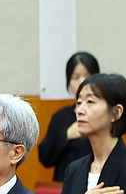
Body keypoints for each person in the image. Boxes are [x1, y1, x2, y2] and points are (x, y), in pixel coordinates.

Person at [36, 51, 100, 183]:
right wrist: (66, 135)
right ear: (68, 81)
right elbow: (45, 158)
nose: (82, 82)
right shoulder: (60, 116)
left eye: (88, 76)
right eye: (76, 77)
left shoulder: (104, 115)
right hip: (65, 186)